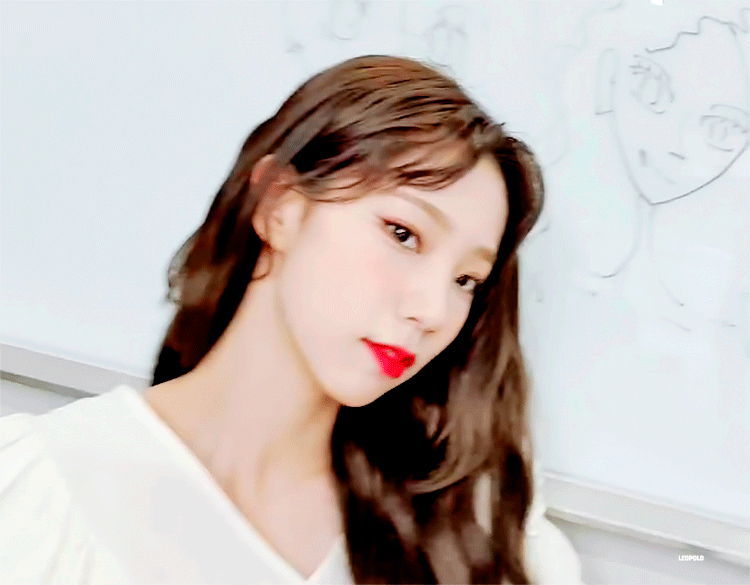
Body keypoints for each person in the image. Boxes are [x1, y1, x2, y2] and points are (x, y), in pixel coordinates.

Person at [0, 55, 583, 584]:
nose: (432, 311)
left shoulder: (476, 533)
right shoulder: (41, 490)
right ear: (278, 206)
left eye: (466, 280)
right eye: (403, 234)